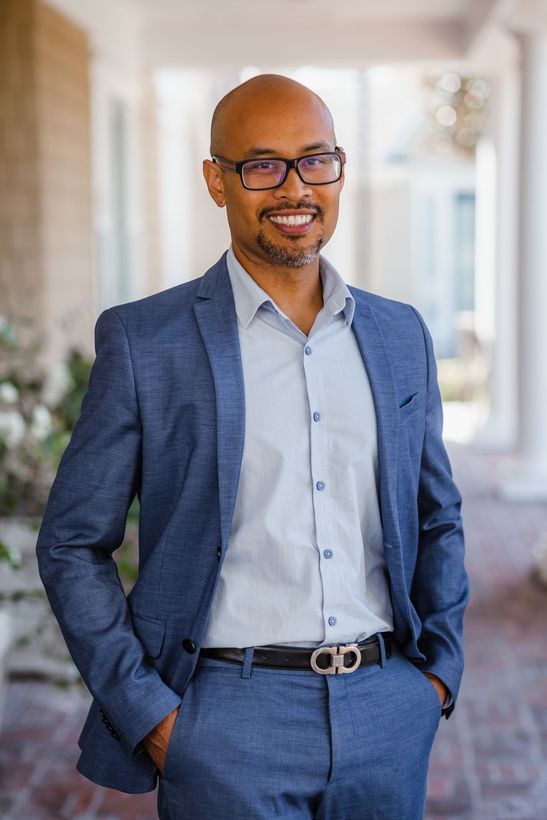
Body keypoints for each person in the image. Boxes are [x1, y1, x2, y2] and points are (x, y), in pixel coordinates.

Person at [36, 74, 469, 819]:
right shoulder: (147, 343)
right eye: (262, 165)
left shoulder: (400, 337)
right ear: (217, 180)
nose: (295, 188)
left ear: (339, 169)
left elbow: (437, 516)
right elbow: (73, 542)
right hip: (223, 723)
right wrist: (151, 713)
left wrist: (435, 677)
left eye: (315, 160)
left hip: (385, 709)